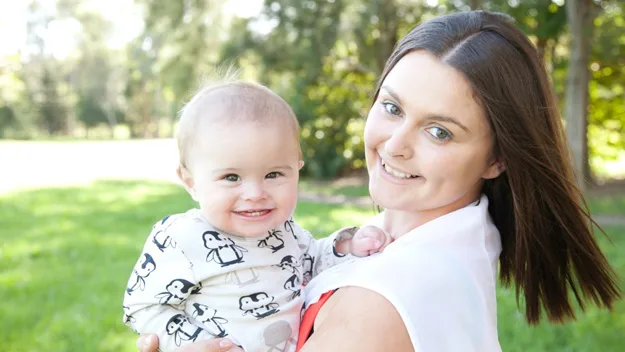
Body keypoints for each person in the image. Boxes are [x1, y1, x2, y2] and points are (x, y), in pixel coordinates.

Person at [135, 10, 620, 352]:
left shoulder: (380, 301)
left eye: (439, 131)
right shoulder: (439, 245)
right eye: (391, 108)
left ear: (496, 159)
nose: (394, 146)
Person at [122, 80, 390, 352]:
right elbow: (141, 305)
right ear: (190, 182)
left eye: (273, 174)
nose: (255, 193)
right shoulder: (181, 238)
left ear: (297, 170)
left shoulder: (284, 230)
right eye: (231, 177)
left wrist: (347, 246)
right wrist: (197, 344)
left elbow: (313, 261)